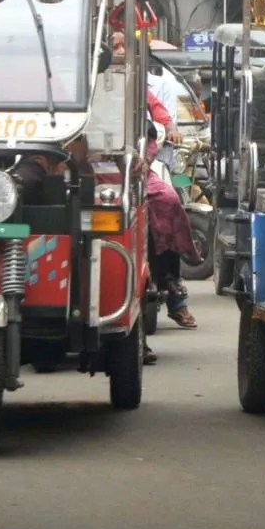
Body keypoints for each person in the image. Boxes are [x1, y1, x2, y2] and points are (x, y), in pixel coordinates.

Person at [111, 31, 201, 343]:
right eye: (114, 45)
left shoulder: (142, 89)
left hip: (136, 166)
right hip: (98, 168)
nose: (120, 51)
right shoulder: (89, 85)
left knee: (168, 199)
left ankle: (173, 285)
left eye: (126, 46)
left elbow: (161, 116)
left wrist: (172, 130)